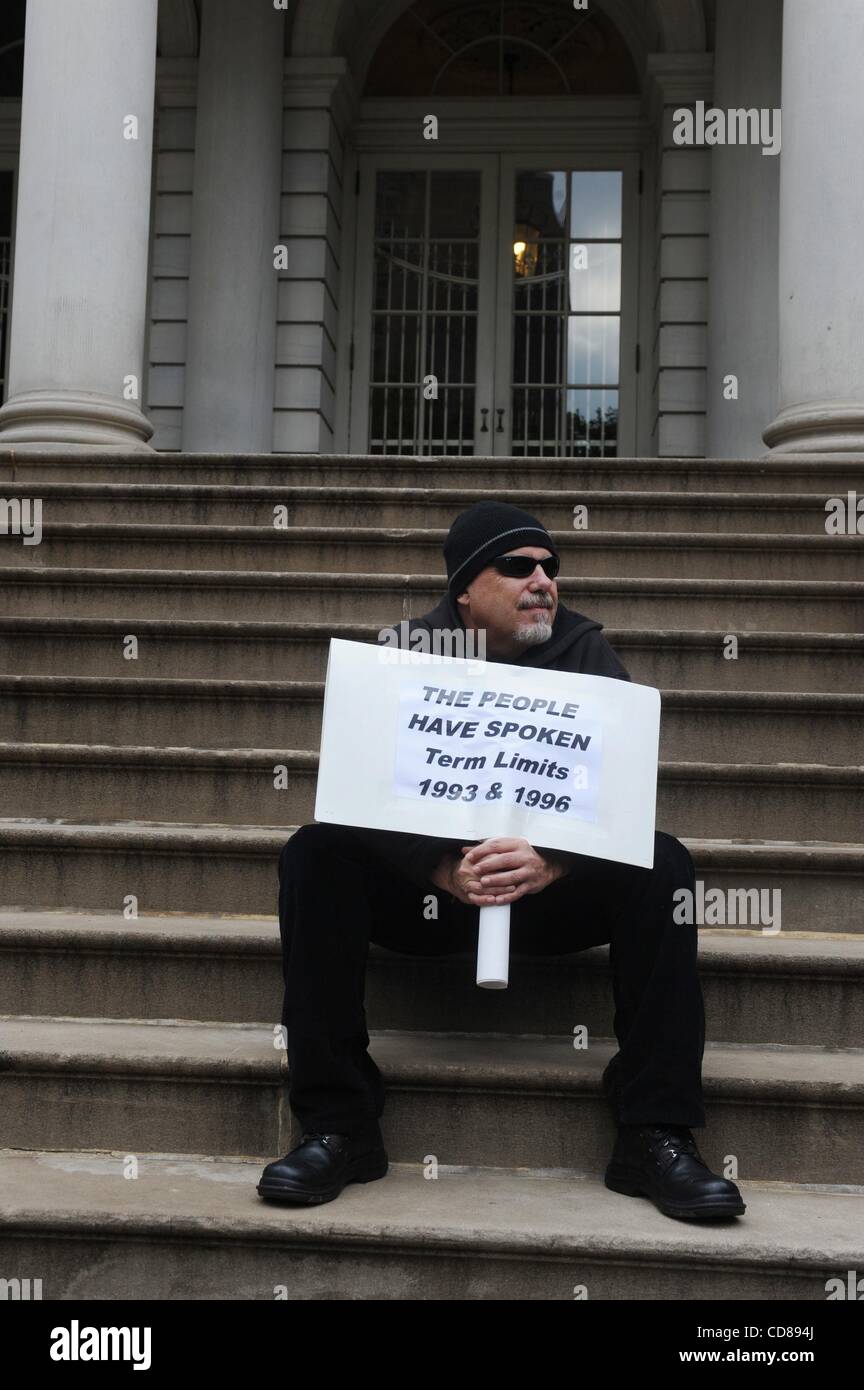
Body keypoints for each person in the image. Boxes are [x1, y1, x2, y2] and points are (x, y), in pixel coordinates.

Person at [257, 501, 745, 1222]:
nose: (543, 579)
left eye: (550, 567)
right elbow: (361, 789)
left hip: (546, 903)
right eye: (518, 566)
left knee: (663, 863)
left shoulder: (586, 652)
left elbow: (620, 790)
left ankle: (654, 1133)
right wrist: (438, 870)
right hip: (431, 903)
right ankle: (339, 1126)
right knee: (314, 852)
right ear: (464, 591)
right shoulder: (408, 655)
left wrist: (554, 859)